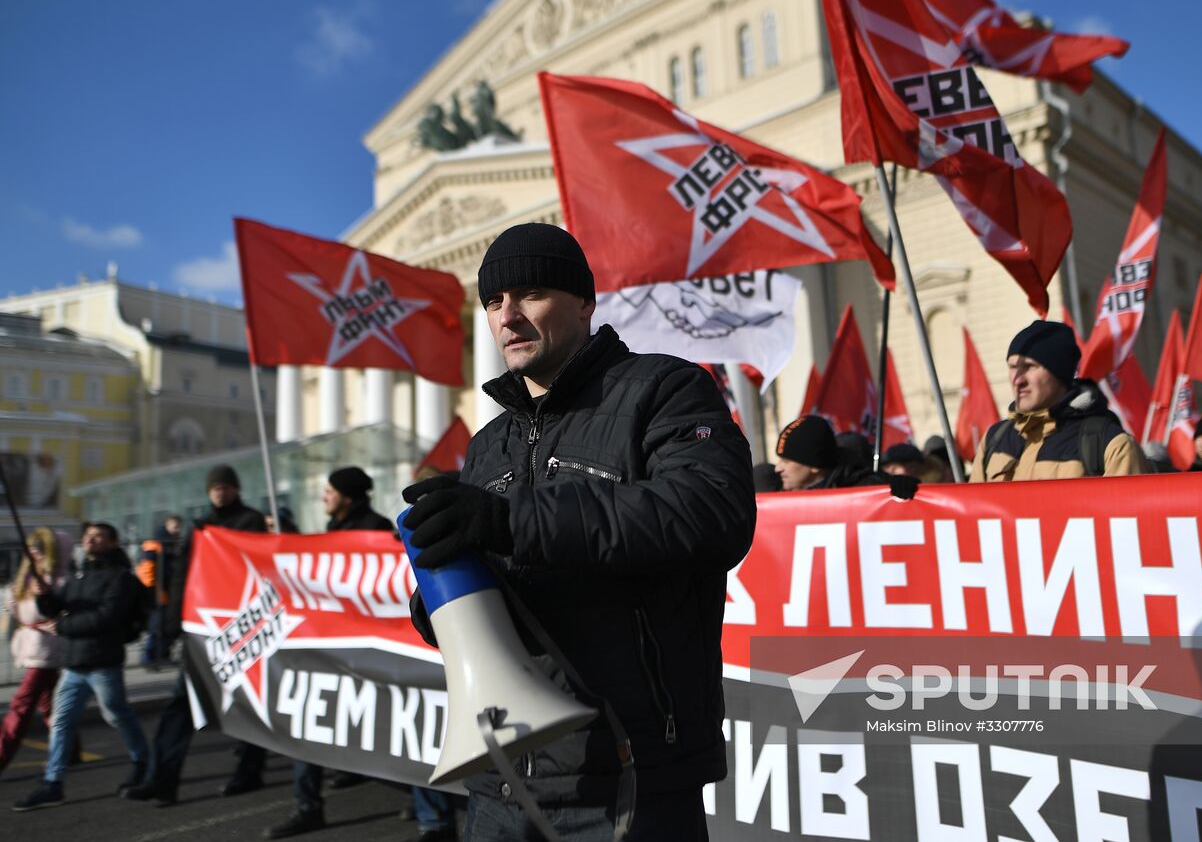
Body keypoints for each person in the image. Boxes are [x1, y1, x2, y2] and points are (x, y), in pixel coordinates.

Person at [400, 222, 756, 840]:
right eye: (493, 301)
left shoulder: (665, 390)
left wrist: (508, 521)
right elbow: (496, 589)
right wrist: (439, 592)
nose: (507, 317)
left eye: (530, 294)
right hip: (499, 780)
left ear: (586, 303)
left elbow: (710, 511)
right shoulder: (488, 443)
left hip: (629, 776)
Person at [266, 466, 454, 841]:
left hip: (379, 650)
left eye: (330, 492)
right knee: (307, 718)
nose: (324, 497)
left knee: (405, 726)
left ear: (347, 497)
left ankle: (434, 820)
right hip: (337, 647)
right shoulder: (333, 532)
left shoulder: (375, 532)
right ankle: (307, 806)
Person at [123, 465, 268, 806]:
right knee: (180, 705)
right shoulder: (198, 526)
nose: (220, 492)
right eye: (215, 487)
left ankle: (249, 770)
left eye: (226, 486)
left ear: (236, 489)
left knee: (250, 702)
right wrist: (172, 622)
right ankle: (162, 779)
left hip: (241, 627)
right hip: (203, 627)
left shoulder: (250, 521)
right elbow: (182, 575)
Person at [12, 522, 150, 811]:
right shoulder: (80, 574)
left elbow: (106, 618)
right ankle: (53, 783)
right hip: (73, 665)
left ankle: (143, 761)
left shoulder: (120, 578)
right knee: (61, 721)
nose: (90, 540)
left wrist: (63, 626)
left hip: (103, 663)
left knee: (117, 715)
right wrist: (44, 595)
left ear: (112, 543)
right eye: (88, 536)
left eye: (98, 536)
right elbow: (57, 607)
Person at [970, 320, 1147, 481]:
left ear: (1059, 373)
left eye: (1029, 366)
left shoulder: (1111, 445)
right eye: (1013, 367)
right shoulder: (993, 440)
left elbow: (1123, 506)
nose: (1018, 380)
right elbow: (973, 505)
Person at [0, 527, 76, 776]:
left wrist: (44, 597)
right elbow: (18, 610)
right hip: (33, 645)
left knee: (21, 704)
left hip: (46, 649)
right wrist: (14, 598)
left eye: (40, 551)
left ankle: (2, 753)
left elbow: (59, 610)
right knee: (50, 703)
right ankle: (70, 749)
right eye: (32, 551)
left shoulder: (61, 581)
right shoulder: (28, 577)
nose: (35, 555)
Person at [772, 415, 918, 496]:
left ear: (814, 466)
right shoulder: (781, 494)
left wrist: (905, 491)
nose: (777, 469)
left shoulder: (869, 489)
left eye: (786, 461)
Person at [137, 514, 183, 665]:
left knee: (165, 625)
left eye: (179, 527)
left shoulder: (172, 544)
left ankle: (161, 655)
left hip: (167, 589)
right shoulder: (157, 544)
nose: (177, 530)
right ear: (167, 525)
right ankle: (150, 657)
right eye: (175, 526)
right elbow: (147, 568)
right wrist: (151, 588)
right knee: (157, 625)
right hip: (158, 590)